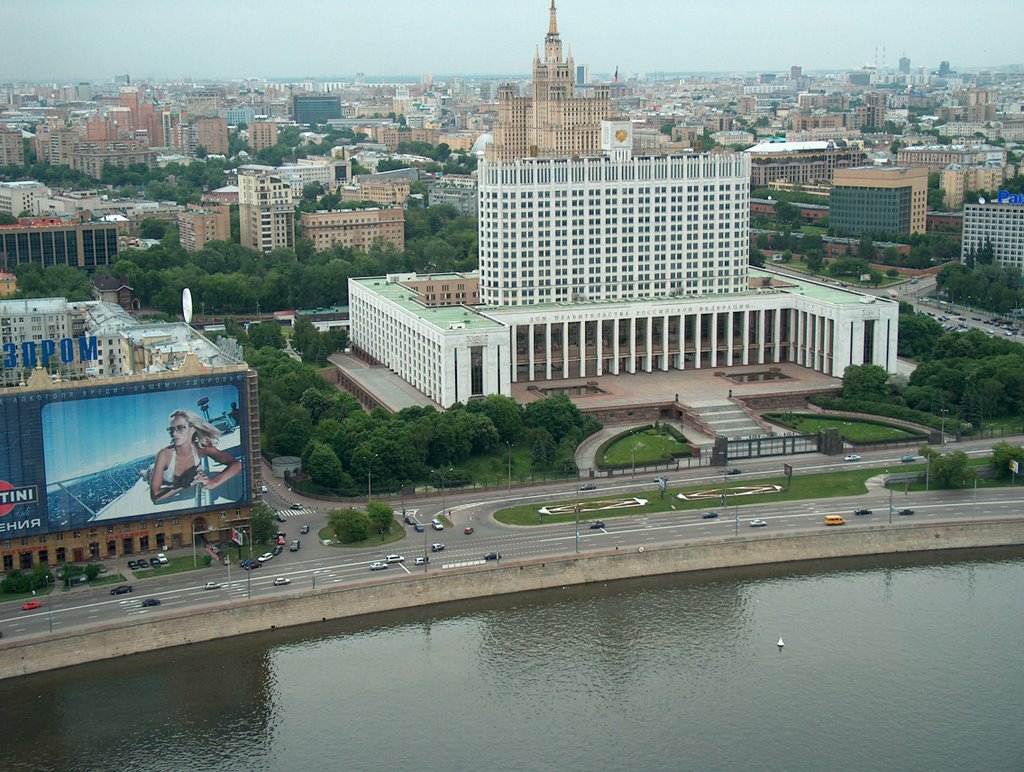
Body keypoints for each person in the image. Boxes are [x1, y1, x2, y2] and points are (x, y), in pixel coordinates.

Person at [150, 409, 242, 504]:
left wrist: (213, 482)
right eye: (171, 430)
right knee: (146, 473)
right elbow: (155, 497)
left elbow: (236, 464)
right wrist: (183, 485)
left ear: (192, 429)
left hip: (172, 475)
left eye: (180, 428)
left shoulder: (200, 448)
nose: (174, 434)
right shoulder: (164, 454)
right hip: (159, 474)